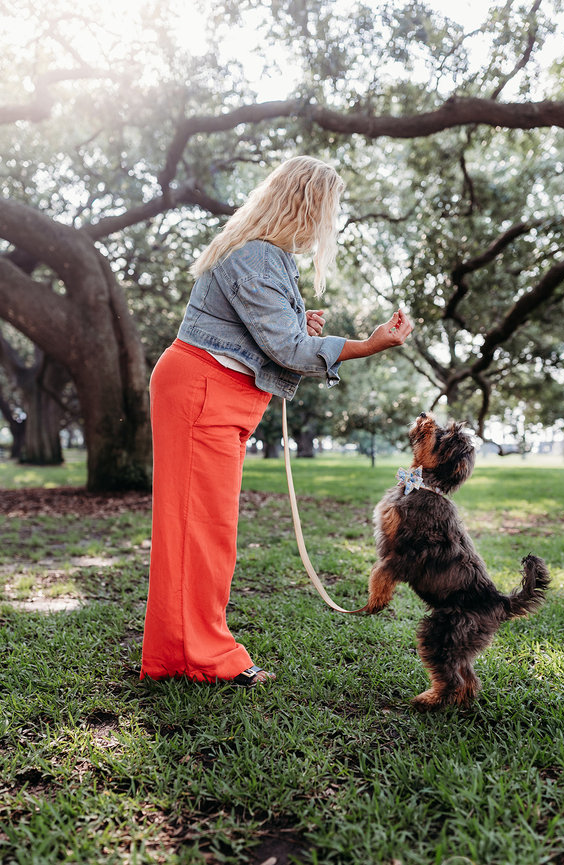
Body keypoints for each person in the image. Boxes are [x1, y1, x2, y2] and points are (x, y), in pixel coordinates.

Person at [140, 155, 413, 688]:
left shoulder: (267, 256)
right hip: (202, 393)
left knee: (202, 529)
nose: (328, 225)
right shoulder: (259, 257)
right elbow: (287, 349)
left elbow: (272, 335)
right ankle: (201, 656)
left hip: (210, 393)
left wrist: (297, 325)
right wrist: (367, 345)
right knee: (201, 531)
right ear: (306, 207)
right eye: (328, 211)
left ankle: (182, 653)